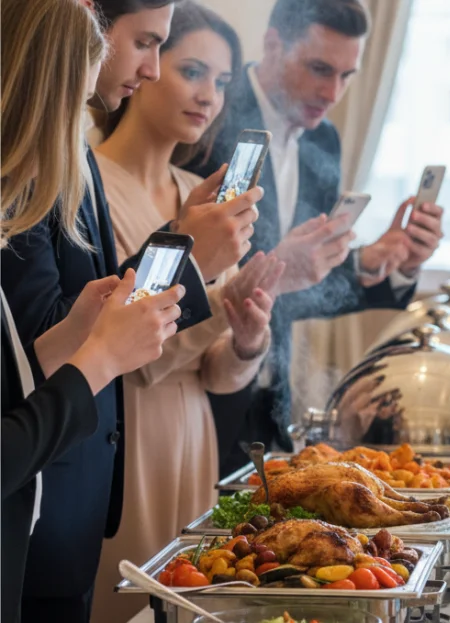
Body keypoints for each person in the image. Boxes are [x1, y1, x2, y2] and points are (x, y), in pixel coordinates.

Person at [0, 0, 259, 619]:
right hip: (38, 482)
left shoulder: (73, 151)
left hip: (77, 483)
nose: (150, 68)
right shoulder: (38, 161)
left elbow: (51, 334)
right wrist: (187, 258)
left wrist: (181, 249)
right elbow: (36, 348)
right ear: (92, 29)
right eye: (146, 43)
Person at [88, 4, 294, 620]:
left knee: (201, 594)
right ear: (146, 65)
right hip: (127, 429)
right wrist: (213, 290)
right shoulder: (91, 186)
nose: (210, 96)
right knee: (129, 599)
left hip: (195, 430)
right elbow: (129, 353)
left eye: (222, 81)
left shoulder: (194, 193)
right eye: (193, 71)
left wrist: (246, 339)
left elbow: (215, 373)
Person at [188, 0, 446, 475]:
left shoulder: (324, 138)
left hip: (269, 400)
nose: (333, 92)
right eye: (320, 69)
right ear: (273, 44)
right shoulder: (206, 118)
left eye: (347, 76)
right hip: (195, 393)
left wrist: (384, 263)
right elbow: (187, 277)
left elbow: (305, 291)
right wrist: (281, 266)